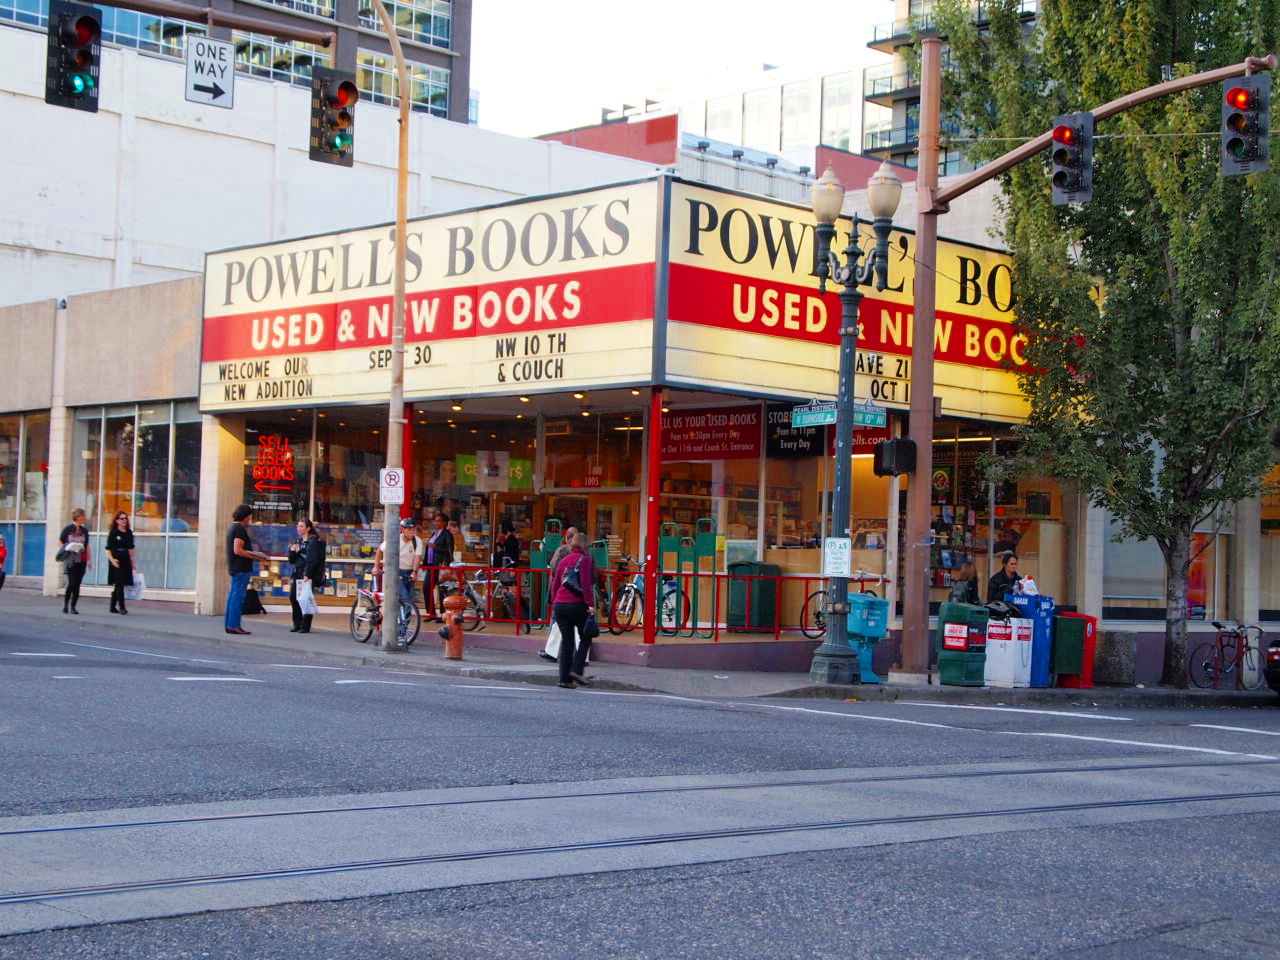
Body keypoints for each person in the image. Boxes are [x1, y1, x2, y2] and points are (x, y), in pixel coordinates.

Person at [550, 532, 596, 689]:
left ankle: (564, 679)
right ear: (585, 544)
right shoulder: (585, 559)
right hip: (577, 604)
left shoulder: (564, 560)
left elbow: (555, 584)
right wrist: (590, 604)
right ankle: (577, 670)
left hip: (560, 605)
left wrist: (555, 602)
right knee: (585, 637)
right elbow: (585, 582)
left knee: (567, 641)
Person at [226, 504, 266, 635]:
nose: (250, 518)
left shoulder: (232, 527)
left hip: (235, 567)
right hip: (241, 567)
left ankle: (229, 624)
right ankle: (234, 625)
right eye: (249, 516)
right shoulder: (239, 529)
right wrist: (253, 556)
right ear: (245, 516)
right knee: (238, 597)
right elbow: (237, 549)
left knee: (233, 596)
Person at [375, 518, 423, 612]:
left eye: (413, 530)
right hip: (396, 571)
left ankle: (404, 625)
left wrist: (414, 572)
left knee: (410, 600)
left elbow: (418, 557)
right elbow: (380, 550)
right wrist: (376, 566)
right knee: (404, 597)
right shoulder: (395, 540)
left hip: (409, 572)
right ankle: (395, 621)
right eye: (409, 530)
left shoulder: (417, 541)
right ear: (402, 529)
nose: (411, 532)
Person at [288, 517, 326, 634]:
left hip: (306, 574)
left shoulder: (313, 541)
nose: (298, 528)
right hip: (297, 573)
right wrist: (292, 551)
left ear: (308, 528)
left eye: (301, 526)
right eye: (297, 526)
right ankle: (297, 623)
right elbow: (291, 560)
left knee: (305, 598)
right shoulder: (298, 541)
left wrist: (307, 574)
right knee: (294, 598)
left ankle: (305, 625)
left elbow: (313, 560)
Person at [58, 507, 92, 614]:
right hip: (71, 559)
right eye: (83, 516)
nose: (84, 518)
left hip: (81, 559)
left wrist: (89, 560)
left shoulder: (84, 531)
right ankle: (66, 603)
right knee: (72, 583)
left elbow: (87, 546)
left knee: (77, 584)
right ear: (77, 517)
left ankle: (73, 606)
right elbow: (60, 542)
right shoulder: (68, 529)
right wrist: (68, 547)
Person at [422, 512, 454, 621]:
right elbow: (428, 549)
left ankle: (442, 614)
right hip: (431, 565)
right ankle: (431, 612)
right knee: (426, 587)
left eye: (439, 520)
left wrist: (436, 547)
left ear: (444, 522)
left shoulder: (447, 534)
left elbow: (449, 551)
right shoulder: (434, 534)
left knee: (442, 590)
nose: (436, 523)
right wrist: (425, 563)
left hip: (441, 565)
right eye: (435, 520)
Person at [105, 510, 137, 615]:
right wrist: (112, 559)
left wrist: (133, 563)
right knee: (119, 583)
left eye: (125, 518)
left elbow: (130, 549)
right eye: (122, 519)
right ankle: (122, 608)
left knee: (121, 584)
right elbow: (108, 548)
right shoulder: (113, 533)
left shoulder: (129, 532)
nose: (124, 520)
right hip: (116, 560)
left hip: (126, 560)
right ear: (117, 520)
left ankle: (112, 606)